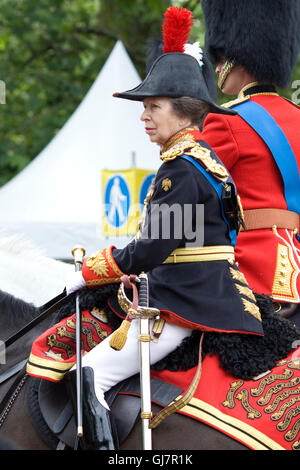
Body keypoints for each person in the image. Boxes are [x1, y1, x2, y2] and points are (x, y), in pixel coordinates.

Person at [26, 7, 264, 450]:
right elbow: (179, 241)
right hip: (193, 286)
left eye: (153, 106)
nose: (144, 116)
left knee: (86, 376)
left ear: (183, 111)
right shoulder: (200, 163)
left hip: (186, 298)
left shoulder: (182, 170)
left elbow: (151, 250)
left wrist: (87, 272)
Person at [200, 0, 300, 326]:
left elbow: (193, 195)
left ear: (239, 57)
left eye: (222, 58)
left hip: (253, 267)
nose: (217, 68)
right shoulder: (296, 117)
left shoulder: (225, 120)